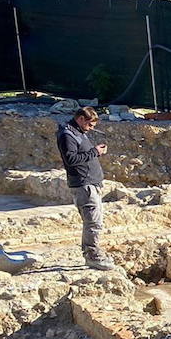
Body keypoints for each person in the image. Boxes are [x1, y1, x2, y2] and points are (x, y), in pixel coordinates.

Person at [56, 107, 115, 270]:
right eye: (89, 124)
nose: (91, 128)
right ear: (80, 119)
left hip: (90, 183)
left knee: (95, 221)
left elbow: (82, 153)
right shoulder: (67, 135)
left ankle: (93, 252)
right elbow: (71, 159)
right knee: (92, 222)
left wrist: (94, 152)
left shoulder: (77, 132)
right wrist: (94, 152)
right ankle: (92, 255)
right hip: (84, 185)